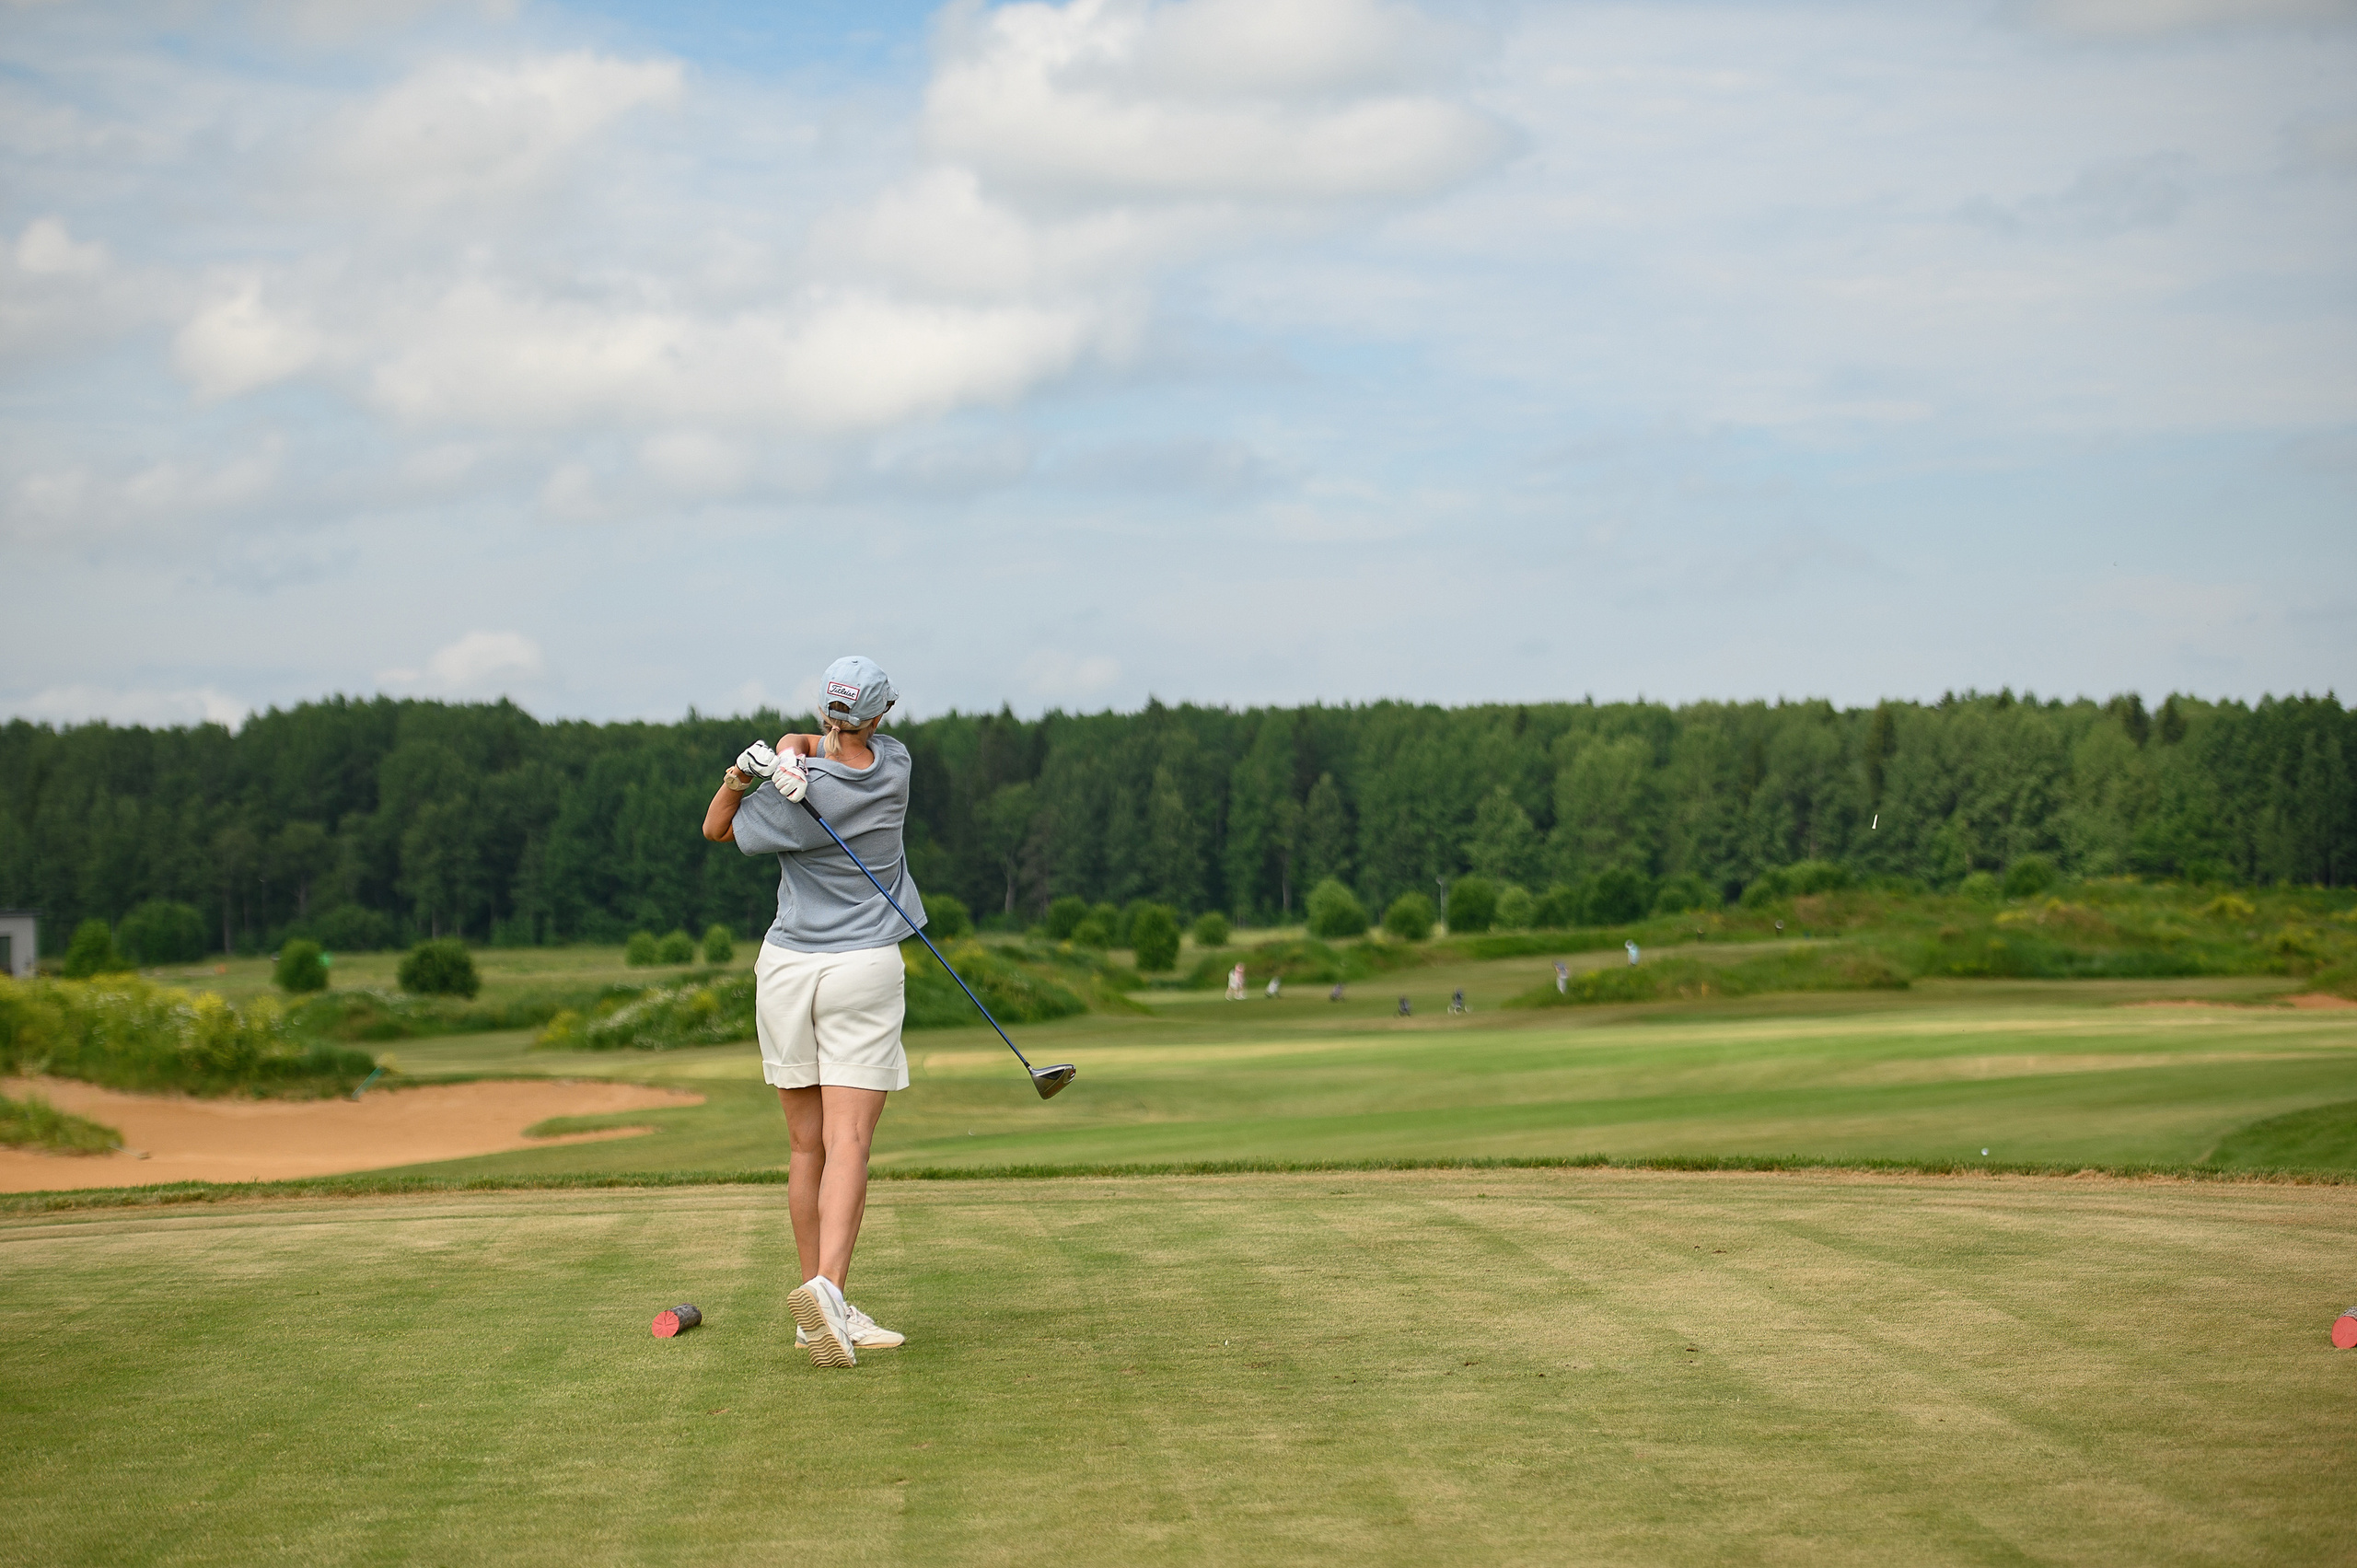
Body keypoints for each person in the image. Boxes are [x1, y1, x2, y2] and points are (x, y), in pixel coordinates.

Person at [702, 654, 918, 1370]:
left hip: (787, 968)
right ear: (880, 715)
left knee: (806, 1147)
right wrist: (794, 758)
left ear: (825, 709)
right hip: (862, 968)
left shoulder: (795, 798)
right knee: (849, 1141)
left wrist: (751, 773)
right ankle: (827, 1293)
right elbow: (837, 742)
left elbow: (717, 828)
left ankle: (817, 1311)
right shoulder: (894, 768)